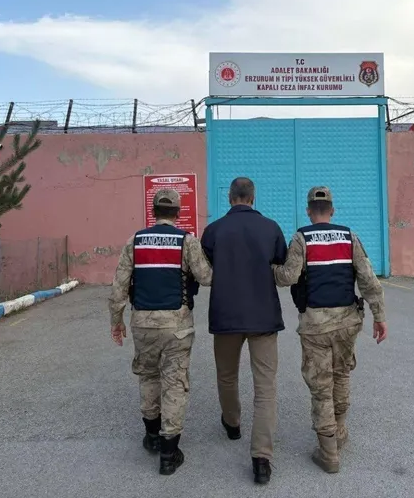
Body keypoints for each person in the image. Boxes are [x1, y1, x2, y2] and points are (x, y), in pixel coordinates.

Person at [272, 186, 388, 474]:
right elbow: (368, 279)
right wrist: (379, 316)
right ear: (332, 211)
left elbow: (288, 277)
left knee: (321, 387)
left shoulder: (302, 237)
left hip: (315, 326)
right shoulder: (349, 236)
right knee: (341, 374)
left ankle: (328, 453)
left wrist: (269, 268)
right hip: (348, 322)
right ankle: (340, 432)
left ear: (309, 211)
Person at [108, 188, 213, 476]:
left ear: (153, 212)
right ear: (178, 213)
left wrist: (116, 321)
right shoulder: (187, 242)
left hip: (142, 322)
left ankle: (152, 435)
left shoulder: (135, 241)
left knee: (148, 376)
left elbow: (119, 286)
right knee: (175, 382)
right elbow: (206, 277)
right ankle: (169, 451)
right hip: (176, 324)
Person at [200, 177, 288, 485]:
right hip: (263, 317)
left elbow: (204, 269)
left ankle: (233, 423)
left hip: (225, 316)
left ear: (230, 197)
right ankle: (261, 458)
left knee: (227, 375)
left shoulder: (213, 231)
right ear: (252, 197)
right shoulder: (272, 228)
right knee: (265, 386)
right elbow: (281, 264)